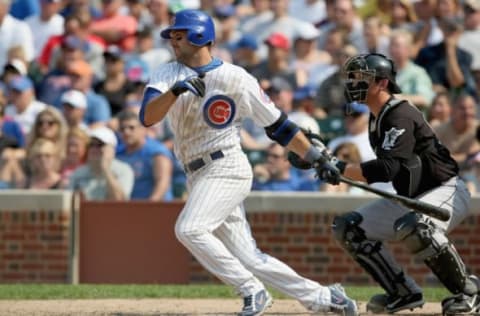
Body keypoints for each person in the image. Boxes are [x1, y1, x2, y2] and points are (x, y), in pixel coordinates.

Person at [139, 9, 357, 316]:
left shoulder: (235, 77)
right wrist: (176, 91)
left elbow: (278, 125)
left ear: (200, 36)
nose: (173, 41)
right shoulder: (167, 73)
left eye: (179, 35)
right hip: (196, 172)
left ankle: (251, 289)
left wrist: (316, 156)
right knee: (249, 256)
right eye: (172, 36)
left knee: (190, 229)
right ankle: (325, 298)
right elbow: (148, 117)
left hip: (226, 165)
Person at [315, 53, 480, 315]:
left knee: (417, 227)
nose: (353, 83)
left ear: (381, 83)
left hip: (445, 190)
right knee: (349, 227)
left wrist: (341, 168)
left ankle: (470, 292)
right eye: (353, 77)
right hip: (411, 198)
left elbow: (388, 168)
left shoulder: (399, 114)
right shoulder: (375, 117)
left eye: (360, 78)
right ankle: (402, 292)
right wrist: (327, 163)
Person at [68, 126, 134, 201]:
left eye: (99, 144)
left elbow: (121, 201)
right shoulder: (78, 173)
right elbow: (69, 203)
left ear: (111, 148)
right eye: (91, 144)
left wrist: (105, 168)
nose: (94, 149)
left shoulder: (123, 170)